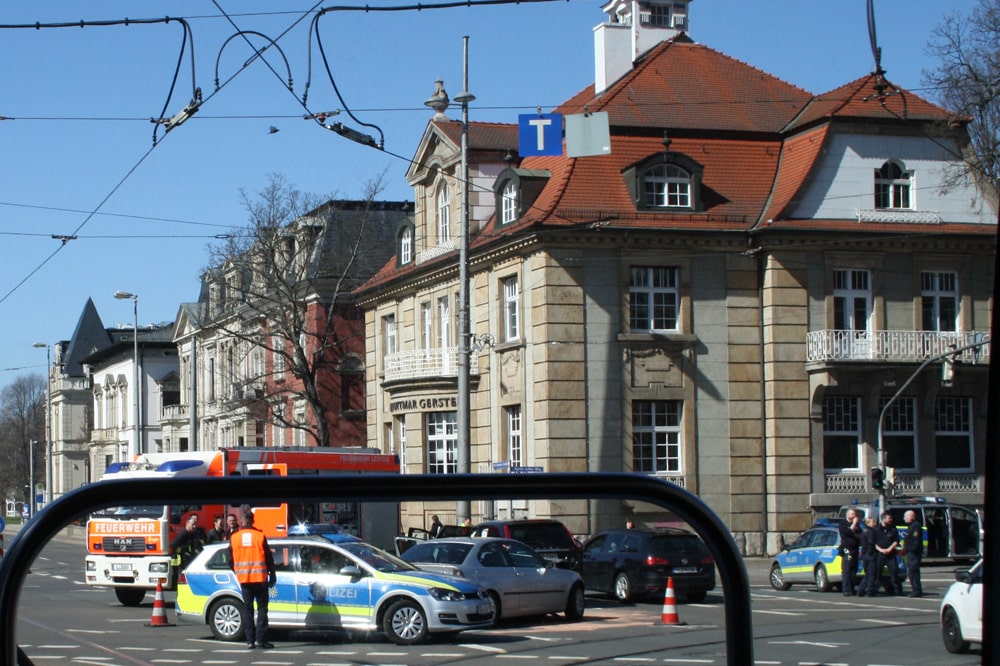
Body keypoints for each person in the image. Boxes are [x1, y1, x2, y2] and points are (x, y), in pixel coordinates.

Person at [229, 510, 276, 650]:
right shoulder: (260, 536)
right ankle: (260, 640)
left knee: (248, 609)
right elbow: (269, 558)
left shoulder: (235, 537)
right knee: (262, 610)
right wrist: (272, 575)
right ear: (253, 520)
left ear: (241, 521)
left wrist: (237, 571)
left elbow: (230, 559)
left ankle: (249, 641)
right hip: (260, 579)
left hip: (244, 580)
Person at [872, 512, 902, 596]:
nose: (891, 520)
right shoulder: (876, 529)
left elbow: (896, 541)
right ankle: (874, 591)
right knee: (877, 573)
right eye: (889, 518)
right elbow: (873, 542)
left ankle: (898, 591)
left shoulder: (892, 528)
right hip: (880, 554)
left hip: (890, 554)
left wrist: (889, 549)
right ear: (883, 519)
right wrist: (881, 550)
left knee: (894, 572)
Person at [838, 509, 863, 596]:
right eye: (852, 514)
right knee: (847, 570)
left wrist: (854, 529)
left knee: (853, 570)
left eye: (855, 514)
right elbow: (848, 532)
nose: (854, 516)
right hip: (847, 549)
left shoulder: (857, 526)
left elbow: (859, 535)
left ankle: (852, 589)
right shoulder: (843, 524)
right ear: (848, 515)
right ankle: (846, 589)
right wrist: (854, 525)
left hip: (855, 549)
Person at [903, 509, 924, 597]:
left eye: (905, 517)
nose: (904, 519)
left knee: (913, 572)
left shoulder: (915, 526)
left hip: (914, 553)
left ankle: (916, 590)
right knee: (912, 572)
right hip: (910, 553)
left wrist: (910, 549)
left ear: (911, 517)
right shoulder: (911, 526)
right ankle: (915, 589)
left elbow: (915, 541)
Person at [857, 516, 878, 597]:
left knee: (867, 574)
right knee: (871, 574)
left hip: (865, 555)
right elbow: (871, 543)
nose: (875, 524)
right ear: (869, 523)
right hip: (870, 556)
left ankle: (861, 590)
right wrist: (872, 552)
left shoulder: (864, 531)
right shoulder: (870, 532)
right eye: (873, 522)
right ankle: (870, 591)